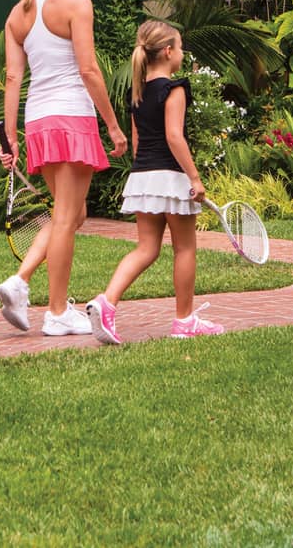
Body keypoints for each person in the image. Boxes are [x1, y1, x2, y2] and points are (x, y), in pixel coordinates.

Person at [0, 0, 127, 335]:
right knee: (68, 218)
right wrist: (114, 125)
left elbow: (13, 77)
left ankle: (20, 282)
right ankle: (55, 313)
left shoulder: (19, 11)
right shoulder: (76, 5)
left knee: (72, 213)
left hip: (38, 121)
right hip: (71, 116)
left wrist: (11, 138)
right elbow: (89, 70)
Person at [85, 20, 224, 344]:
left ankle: (107, 301)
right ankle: (184, 321)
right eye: (180, 47)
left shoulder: (138, 93)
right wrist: (194, 177)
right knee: (185, 248)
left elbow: (136, 142)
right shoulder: (174, 89)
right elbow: (174, 136)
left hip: (143, 177)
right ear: (168, 51)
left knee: (146, 248)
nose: (182, 53)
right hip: (171, 177)